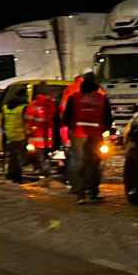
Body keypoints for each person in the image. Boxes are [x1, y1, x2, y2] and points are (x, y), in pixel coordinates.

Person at [62, 72, 110, 204]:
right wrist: (101, 130)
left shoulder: (74, 97)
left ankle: (80, 194)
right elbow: (108, 120)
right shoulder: (102, 99)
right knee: (94, 163)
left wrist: (73, 128)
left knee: (79, 163)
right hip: (96, 135)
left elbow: (66, 118)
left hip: (78, 135)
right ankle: (93, 193)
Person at [24, 87, 57, 177]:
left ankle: (41, 169)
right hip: (48, 134)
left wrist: (28, 130)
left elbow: (28, 119)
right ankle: (46, 168)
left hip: (36, 134)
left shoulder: (33, 105)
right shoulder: (50, 104)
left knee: (38, 153)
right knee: (45, 152)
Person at [2, 89, 29, 183]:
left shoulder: (6, 106)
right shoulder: (23, 108)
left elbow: (3, 121)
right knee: (18, 157)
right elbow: (26, 122)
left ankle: (10, 173)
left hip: (9, 133)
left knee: (13, 155)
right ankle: (17, 176)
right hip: (20, 134)